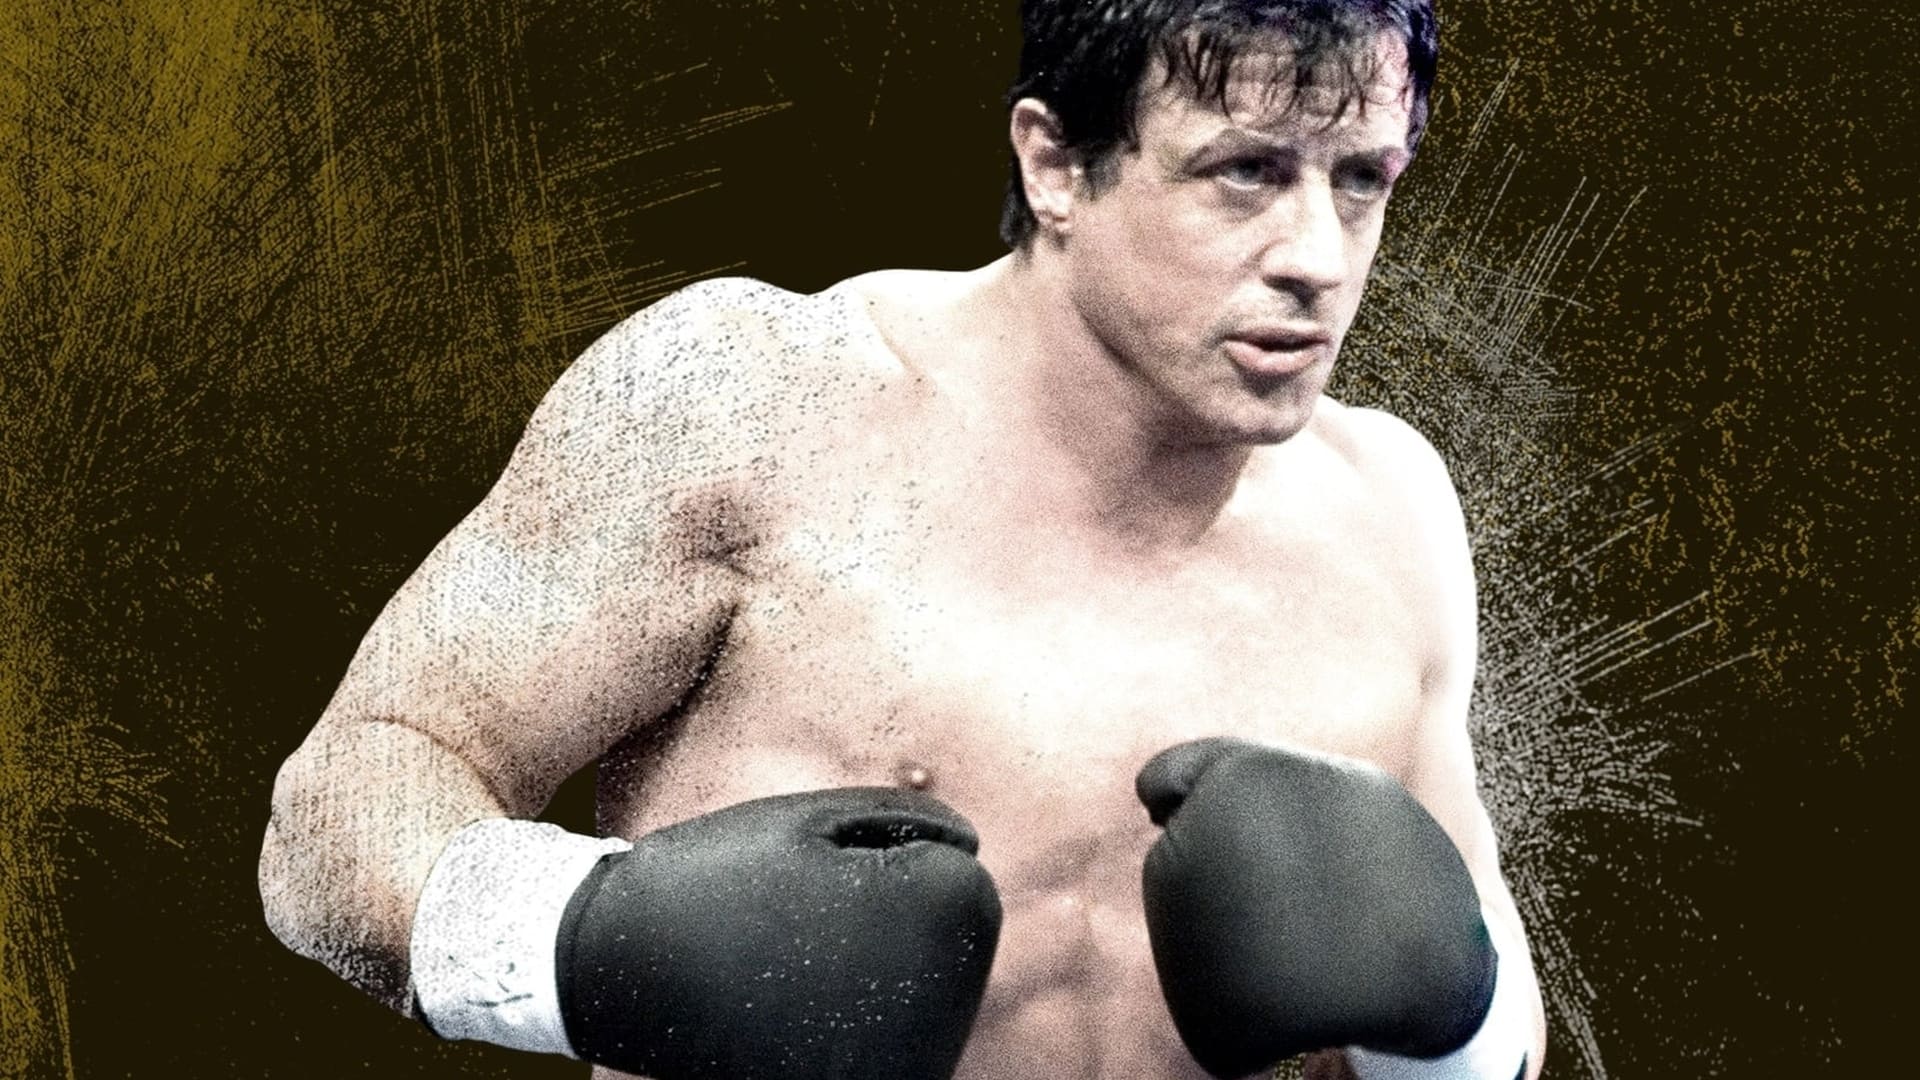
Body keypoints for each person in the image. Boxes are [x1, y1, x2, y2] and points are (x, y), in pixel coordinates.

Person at [259, 1, 1550, 1077]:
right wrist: (578, 942)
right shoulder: (748, 406)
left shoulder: (1389, 512)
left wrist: (1453, 1023)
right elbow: (333, 819)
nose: (1318, 256)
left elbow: (1493, 1032)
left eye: (1362, 179)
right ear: (1054, 165)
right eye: (1246, 173)